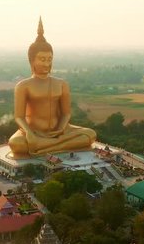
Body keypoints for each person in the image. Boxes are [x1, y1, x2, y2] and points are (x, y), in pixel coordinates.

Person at [8, 18, 96, 158]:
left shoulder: (61, 84)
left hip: (59, 131)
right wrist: (29, 134)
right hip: (34, 131)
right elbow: (19, 117)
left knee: (90, 135)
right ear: (32, 60)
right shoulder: (23, 86)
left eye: (49, 59)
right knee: (16, 144)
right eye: (42, 59)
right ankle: (58, 145)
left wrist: (61, 129)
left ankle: (50, 147)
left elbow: (66, 113)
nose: (46, 63)